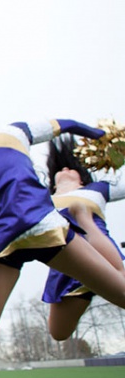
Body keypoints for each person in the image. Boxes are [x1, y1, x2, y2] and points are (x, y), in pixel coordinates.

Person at [0, 119, 125, 348]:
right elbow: (65, 124)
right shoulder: (18, 130)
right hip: (31, 228)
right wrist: (100, 134)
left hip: (6, 237)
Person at [42, 136, 125, 340]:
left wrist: (118, 153)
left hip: (99, 250)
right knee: (58, 332)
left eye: (71, 168)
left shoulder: (96, 190)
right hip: (66, 265)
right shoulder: (43, 200)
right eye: (59, 170)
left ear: (82, 178)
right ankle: (92, 285)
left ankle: (84, 220)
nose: (64, 170)